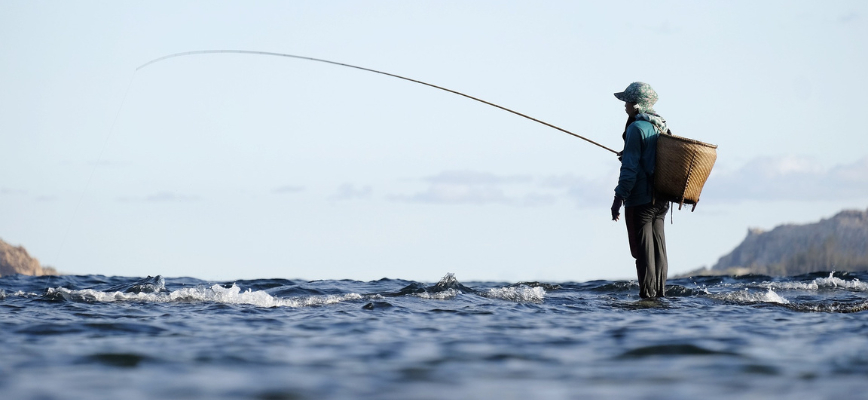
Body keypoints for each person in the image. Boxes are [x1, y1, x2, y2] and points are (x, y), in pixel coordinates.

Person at [610, 82, 669, 298]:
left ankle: (647, 298)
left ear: (636, 105)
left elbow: (630, 170)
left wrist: (618, 198)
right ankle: (660, 296)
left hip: (640, 200)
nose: (624, 105)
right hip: (662, 199)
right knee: (658, 249)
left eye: (627, 101)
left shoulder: (636, 128)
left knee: (643, 252)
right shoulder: (661, 126)